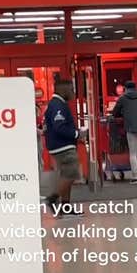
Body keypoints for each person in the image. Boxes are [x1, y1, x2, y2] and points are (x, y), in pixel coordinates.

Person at [44, 80, 87, 217]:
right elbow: (59, 127)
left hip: (59, 146)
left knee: (66, 175)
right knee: (72, 173)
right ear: (63, 90)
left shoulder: (56, 104)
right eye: (71, 89)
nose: (73, 92)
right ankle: (53, 198)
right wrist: (76, 134)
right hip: (63, 147)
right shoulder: (58, 105)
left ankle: (65, 207)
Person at [112, 80, 137, 184]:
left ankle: (135, 177)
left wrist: (123, 114)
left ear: (125, 88)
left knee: (133, 153)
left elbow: (115, 112)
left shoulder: (123, 98)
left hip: (131, 127)